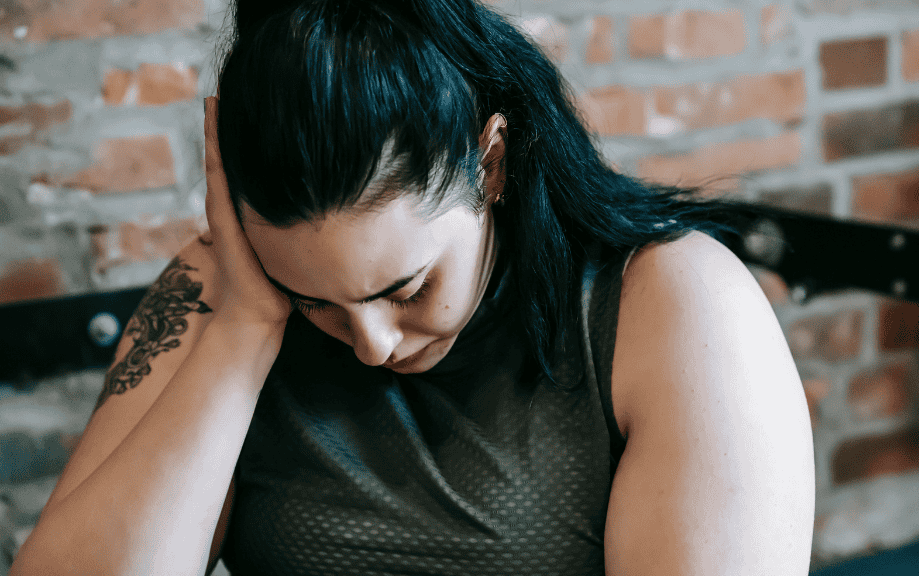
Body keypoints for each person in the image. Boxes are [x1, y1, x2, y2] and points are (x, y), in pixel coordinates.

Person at [11, 0, 815, 574]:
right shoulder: (219, 290)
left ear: (490, 164)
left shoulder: (672, 302)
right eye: (314, 300)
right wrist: (246, 327)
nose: (372, 344)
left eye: (406, 286)